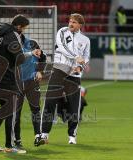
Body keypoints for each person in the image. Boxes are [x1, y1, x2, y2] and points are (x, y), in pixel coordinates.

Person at [0, 14, 41, 153]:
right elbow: (19, 58)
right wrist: (31, 53)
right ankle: (10, 146)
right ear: (19, 26)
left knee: (4, 110)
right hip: (7, 76)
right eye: (24, 28)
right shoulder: (12, 35)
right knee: (11, 111)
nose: (24, 31)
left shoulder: (0, 33)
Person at [38, 13, 90, 145]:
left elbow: (86, 56)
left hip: (74, 75)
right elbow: (62, 47)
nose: (71, 24)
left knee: (74, 105)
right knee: (50, 101)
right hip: (59, 70)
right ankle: (44, 134)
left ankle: (72, 136)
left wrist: (80, 67)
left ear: (80, 25)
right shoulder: (62, 31)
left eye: (74, 22)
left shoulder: (85, 40)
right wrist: (75, 57)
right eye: (70, 21)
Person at [14, 36, 46, 149]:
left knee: (35, 109)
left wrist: (39, 71)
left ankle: (38, 136)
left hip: (32, 81)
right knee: (16, 112)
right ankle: (17, 140)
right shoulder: (11, 44)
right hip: (16, 83)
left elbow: (43, 56)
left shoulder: (32, 43)